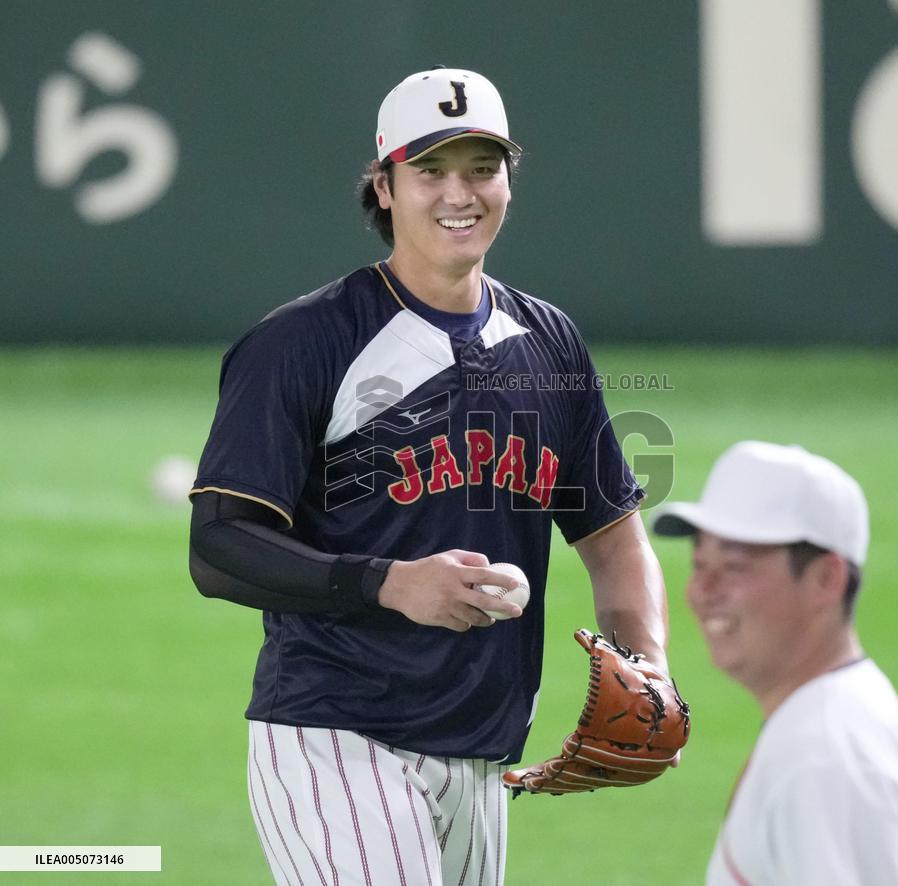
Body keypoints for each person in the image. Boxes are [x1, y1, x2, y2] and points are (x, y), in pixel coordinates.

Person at [188, 66, 673, 885]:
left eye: (482, 168)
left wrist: (648, 664)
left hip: (480, 751)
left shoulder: (549, 343)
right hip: (334, 736)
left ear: (509, 182)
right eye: (430, 170)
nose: (461, 192)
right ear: (383, 186)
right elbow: (219, 548)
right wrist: (388, 583)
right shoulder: (305, 342)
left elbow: (614, 538)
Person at [653, 440, 898, 885]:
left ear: (826, 579)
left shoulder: (826, 759)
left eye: (735, 567)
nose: (703, 591)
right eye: (699, 563)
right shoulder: (833, 719)